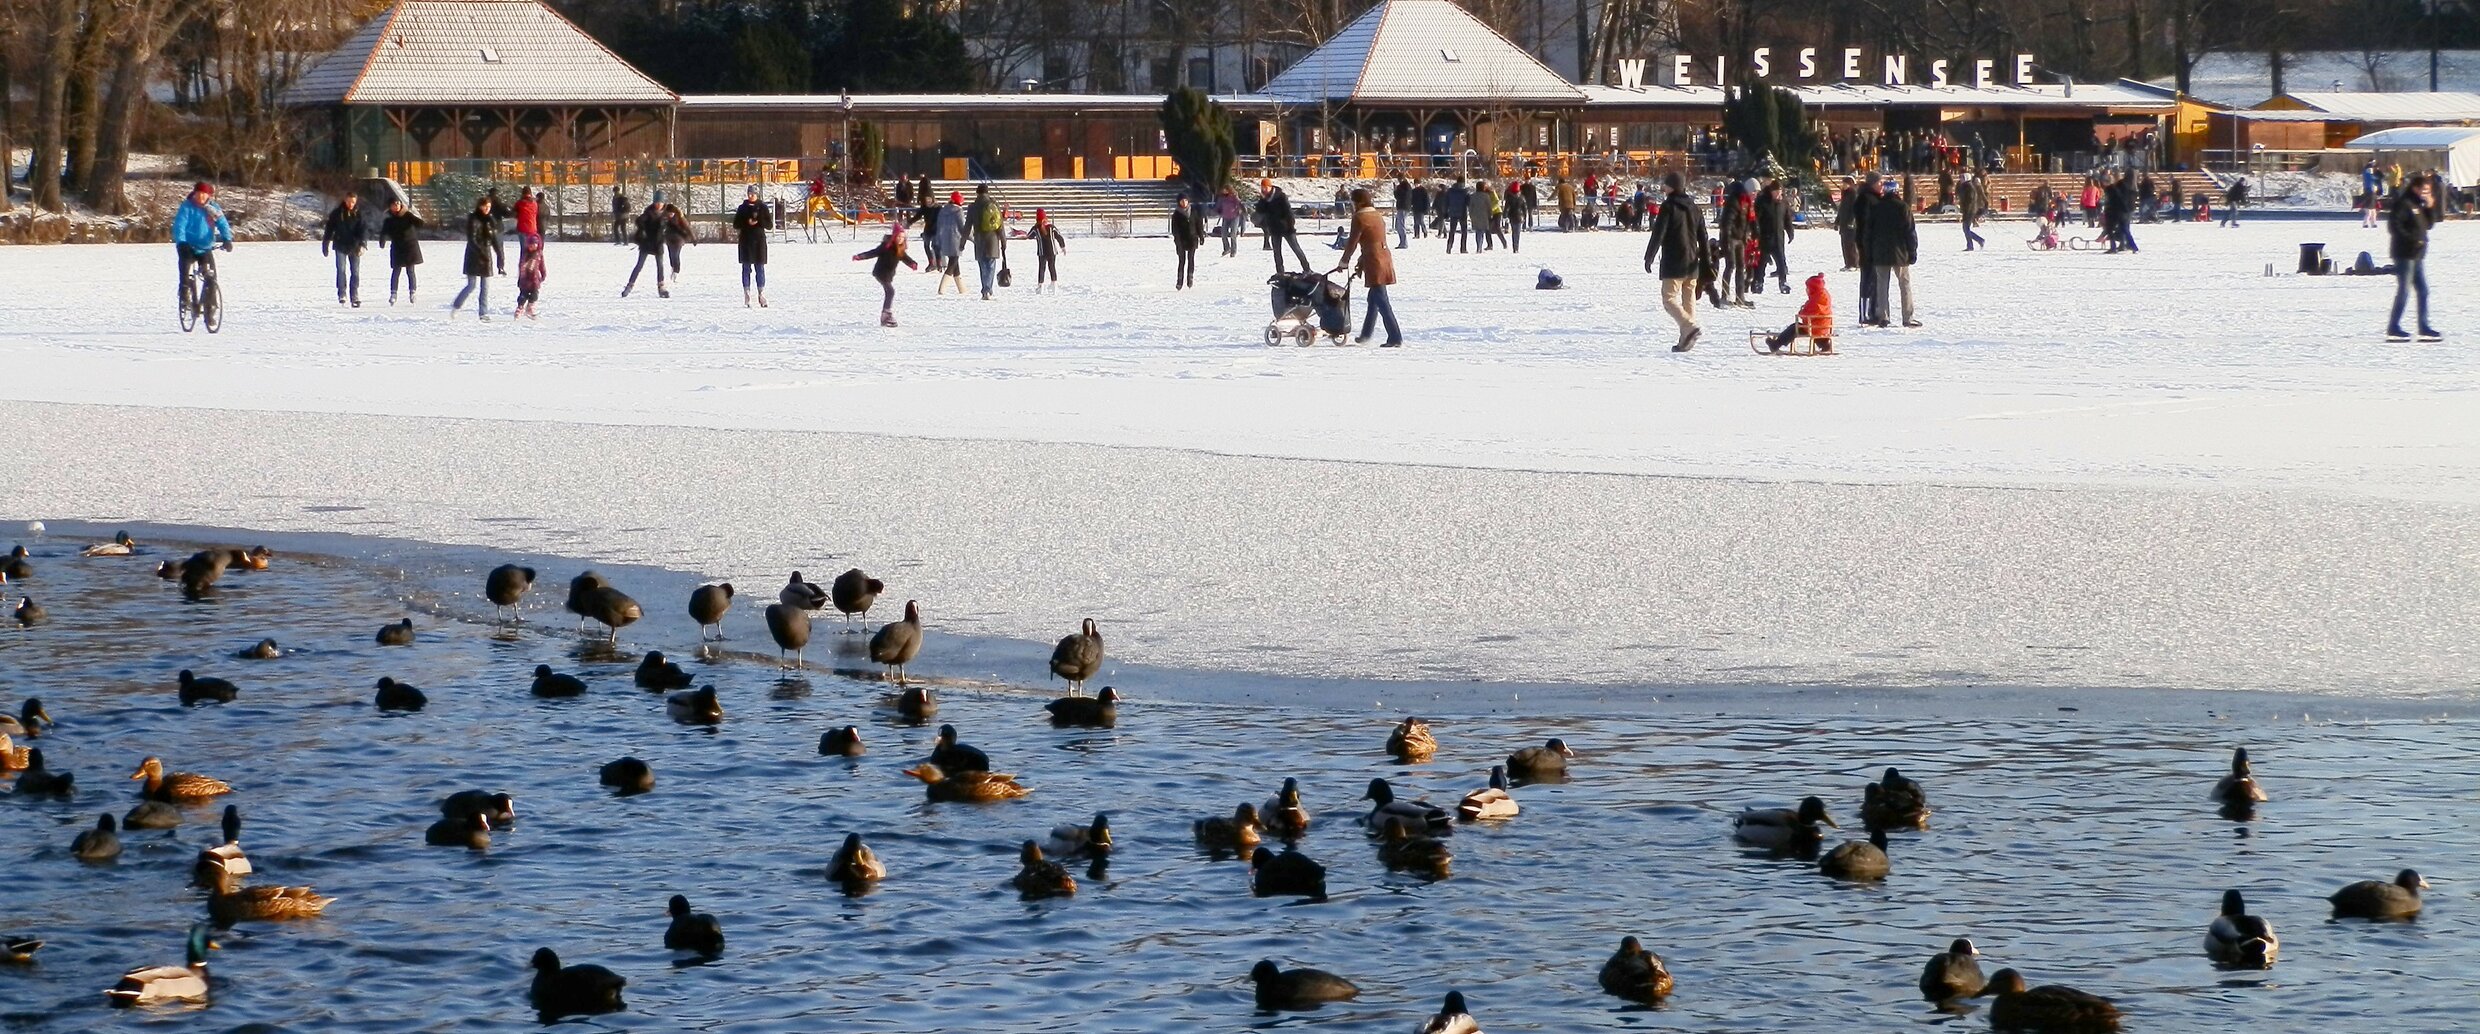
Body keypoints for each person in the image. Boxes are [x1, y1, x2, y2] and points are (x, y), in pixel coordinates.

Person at [1643, 171, 1707, 352]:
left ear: (1673, 186)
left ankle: (1689, 327)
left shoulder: (1668, 206)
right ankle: (1685, 340)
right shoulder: (1694, 207)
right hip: (1692, 262)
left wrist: (1650, 256)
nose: (1663, 187)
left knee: (1669, 299)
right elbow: (1703, 236)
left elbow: (1659, 233)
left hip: (1674, 262)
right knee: (1689, 299)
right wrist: (1706, 261)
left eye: (1666, 184)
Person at [1333, 187, 1400, 347]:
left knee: (1382, 300)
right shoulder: (1377, 215)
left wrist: (1344, 261)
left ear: (1357, 202)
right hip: (1384, 257)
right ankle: (1366, 334)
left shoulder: (1360, 217)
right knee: (1373, 299)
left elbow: (1352, 243)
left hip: (1373, 260)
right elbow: (1372, 240)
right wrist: (1361, 261)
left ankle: (1395, 337)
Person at [2387, 176, 2440, 342]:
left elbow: (2429, 224)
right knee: (2404, 290)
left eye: (2428, 191)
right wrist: (2412, 239)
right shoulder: (2404, 203)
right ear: (2415, 188)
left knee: (2423, 291)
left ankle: (2423, 326)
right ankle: (2393, 327)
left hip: (2417, 255)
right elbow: (2394, 226)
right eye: (2424, 190)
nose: (2426, 193)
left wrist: (2431, 207)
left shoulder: (2418, 205)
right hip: (2404, 254)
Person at [1863, 177, 1918, 328]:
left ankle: (1883, 317)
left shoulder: (1876, 208)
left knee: (1882, 285)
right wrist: (1912, 251)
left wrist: (1869, 251)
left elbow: (1868, 232)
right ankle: (1907, 317)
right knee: (1904, 285)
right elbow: (1910, 232)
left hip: (1880, 253)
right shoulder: (1903, 207)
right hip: (1900, 253)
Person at [172, 181, 233, 314]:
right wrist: (181, 242)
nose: (201, 197)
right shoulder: (187, 207)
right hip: (187, 246)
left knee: (210, 277)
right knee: (185, 270)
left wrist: (227, 239)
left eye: (204, 195)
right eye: (198, 194)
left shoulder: (213, 208)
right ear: (194, 194)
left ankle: (210, 306)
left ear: (208, 196)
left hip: (205, 247)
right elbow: (179, 225)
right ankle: (184, 295)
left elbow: (222, 223)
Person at [853, 223, 920, 327]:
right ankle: (886, 314)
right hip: (880, 272)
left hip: (888, 275)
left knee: (889, 292)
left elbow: (905, 258)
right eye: (898, 236)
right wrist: (860, 256)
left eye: (902, 237)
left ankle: (885, 316)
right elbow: (873, 252)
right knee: (890, 291)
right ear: (894, 236)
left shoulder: (900, 249)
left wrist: (912, 264)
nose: (900, 239)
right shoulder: (886, 246)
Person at [448, 195, 498, 320]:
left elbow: (494, 239)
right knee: (471, 285)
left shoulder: (490, 220)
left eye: (489, 207)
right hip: (474, 256)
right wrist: (480, 252)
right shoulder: (473, 219)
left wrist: (500, 256)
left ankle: (483, 312)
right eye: (485, 206)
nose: (487, 209)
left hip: (486, 255)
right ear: (480, 206)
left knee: (485, 287)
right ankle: (456, 305)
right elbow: (472, 239)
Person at [1762, 273, 1834, 354]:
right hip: (1822, 326)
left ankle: (1776, 344)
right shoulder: (1822, 294)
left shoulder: (1818, 298)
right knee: (1807, 328)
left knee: (1794, 328)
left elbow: (1812, 311)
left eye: (1808, 288)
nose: (1806, 290)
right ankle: (1824, 344)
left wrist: (1802, 312)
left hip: (1815, 326)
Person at [320, 191, 368, 307]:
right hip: (340, 245)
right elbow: (329, 229)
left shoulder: (359, 214)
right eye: (349, 201)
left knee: (355, 272)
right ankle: (342, 294)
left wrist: (363, 244)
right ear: (345, 200)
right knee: (341, 270)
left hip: (354, 246)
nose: (351, 204)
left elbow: (363, 230)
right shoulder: (337, 213)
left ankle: (354, 295)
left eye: (353, 202)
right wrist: (325, 243)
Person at [732, 184, 771, 307]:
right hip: (745, 241)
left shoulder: (762, 207)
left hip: (759, 241)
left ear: (757, 194)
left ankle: (761, 293)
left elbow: (769, 225)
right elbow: (736, 224)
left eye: (753, 194)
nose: (750, 196)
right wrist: (746, 222)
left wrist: (759, 221)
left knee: (760, 268)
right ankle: (747, 293)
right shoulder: (742, 208)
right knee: (746, 268)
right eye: (749, 193)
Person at [379, 198, 423, 304]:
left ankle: (413, 292)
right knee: (396, 271)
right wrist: (382, 240)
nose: (396, 206)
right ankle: (393, 293)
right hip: (397, 247)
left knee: (410, 271)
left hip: (409, 246)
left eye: (398, 204)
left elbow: (420, 223)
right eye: (394, 204)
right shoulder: (389, 220)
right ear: (390, 206)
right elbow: (384, 232)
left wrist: (414, 217)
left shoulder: (407, 215)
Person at [1257, 184, 1307, 271]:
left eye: (1265, 187)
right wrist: (1262, 200)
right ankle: (1280, 271)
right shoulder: (1264, 199)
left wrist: (1290, 225)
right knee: (1277, 252)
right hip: (1274, 228)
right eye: (1262, 188)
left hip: (1286, 227)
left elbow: (1288, 211)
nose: (1264, 190)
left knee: (1296, 248)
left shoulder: (1280, 196)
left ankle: (1306, 268)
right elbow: (1260, 211)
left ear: (1270, 187)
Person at [1756, 178, 1794, 292]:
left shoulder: (1783, 203)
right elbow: (1756, 219)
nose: (1778, 194)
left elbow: (1787, 219)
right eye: (1776, 192)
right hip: (1765, 237)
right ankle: (1759, 282)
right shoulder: (1763, 201)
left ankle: (1783, 282)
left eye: (1780, 192)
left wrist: (1790, 231)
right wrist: (1755, 233)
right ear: (1771, 192)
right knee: (1762, 262)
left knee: (1781, 261)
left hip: (1778, 237)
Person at [623, 201, 668, 298]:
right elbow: (639, 221)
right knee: (639, 265)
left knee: (660, 266)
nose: (658, 205)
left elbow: (676, 223)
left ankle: (661, 287)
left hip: (658, 244)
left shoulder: (666, 214)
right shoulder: (649, 212)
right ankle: (630, 285)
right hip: (647, 243)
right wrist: (642, 229)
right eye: (657, 203)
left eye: (660, 203)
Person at [967, 184, 1004, 300]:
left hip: (979, 239)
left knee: (983, 265)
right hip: (992, 239)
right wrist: (1003, 240)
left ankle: (985, 289)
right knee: (991, 265)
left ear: (977, 193)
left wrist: (962, 242)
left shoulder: (972, 207)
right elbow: (1000, 225)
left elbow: (967, 225)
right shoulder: (993, 205)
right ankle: (988, 289)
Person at [932, 191, 967, 294]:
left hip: (944, 239)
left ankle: (962, 289)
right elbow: (962, 227)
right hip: (956, 239)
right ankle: (941, 289)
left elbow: (939, 225)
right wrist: (972, 238)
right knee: (952, 264)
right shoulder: (958, 211)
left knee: (955, 263)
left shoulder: (943, 210)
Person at [1170, 194, 1204, 289]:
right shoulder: (1176, 214)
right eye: (1182, 201)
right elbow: (1174, 229)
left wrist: (1201, 236)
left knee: (1191, 259)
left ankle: (1190, 277)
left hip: (1192, 238)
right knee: (1182, 260)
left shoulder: (1194, 212)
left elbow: (1199, 225)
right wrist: (1177, 239)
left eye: (1185, 200)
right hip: (1181, 239)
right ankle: (1179, 281)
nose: (1184, 203)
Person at [1030, 208, 1065, 291]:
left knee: (1042, 268)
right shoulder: (1051, 227)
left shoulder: (1035, 228)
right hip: (1052, 251)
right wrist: (1062, 246)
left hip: (1042, 252)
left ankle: (1040, 286)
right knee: (1052, 267)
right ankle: (1054, 284)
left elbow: (1029, 236)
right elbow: (1059, 237)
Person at [513, 232, 546, 319]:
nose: (532, 247)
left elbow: (541, 265)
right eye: (530, 245)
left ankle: (530, 308)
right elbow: (521, 265)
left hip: (535, 279)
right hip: (525, 279)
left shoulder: (539, 254)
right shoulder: (525, 254)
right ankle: (520, 308)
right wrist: (521, 277)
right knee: (523, 295)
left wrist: (543, 274)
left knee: (534, 294)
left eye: (534, 245)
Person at [1834, 176, 1862, 270]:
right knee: (1845, 244)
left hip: (1851, 224)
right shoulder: (1845, 194)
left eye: (1845, 183)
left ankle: (1855, 264)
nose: (1843, 185)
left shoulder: (1853, 194)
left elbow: (1855, 210)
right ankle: (1848, 263)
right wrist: (1837, 222)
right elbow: (1841, 210)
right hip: (1843, 223)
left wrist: (1852, 221)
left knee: (1851, 244)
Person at [661, 202, 693, 278]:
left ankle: (676, 272)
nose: (670, 214)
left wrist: (693, 237)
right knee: (671, 256)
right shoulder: (665, 219)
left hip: (679, 239)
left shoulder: (679, 218)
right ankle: (673, 268)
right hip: (669, 240)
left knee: (675, 255)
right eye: (669, 213)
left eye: (672, 213)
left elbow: (687, 227)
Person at [1957, 172, 1986, 251]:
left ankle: (1976, 242)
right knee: (1966, 228)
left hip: (1970, 211)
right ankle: (1974, 243)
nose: (1960, 180)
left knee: (1966, 228)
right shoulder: (1964, 187)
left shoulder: (1969, 187)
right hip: (1967, 210)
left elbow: (1970, 201)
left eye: (1962, 178)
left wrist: (1967, 211)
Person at [1441, 177, 1470, 253]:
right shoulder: (1465, 192)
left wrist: (1445, 212)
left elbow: (1446, 202)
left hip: (1453, 213)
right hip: (1463, 213)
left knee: (1452, 231)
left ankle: (1449, 247)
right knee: (1464, 232)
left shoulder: (1450, 191)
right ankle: (1463, 248)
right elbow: (1468, 203)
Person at [1216, 187, 1242, 257]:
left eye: (1225, 189)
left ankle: (1233, 250)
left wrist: (1239, 210)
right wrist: (1218, 210)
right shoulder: (1221, 198)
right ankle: (1227, 248)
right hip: (1225, 217)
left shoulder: (1233, 196)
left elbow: (1239, 204)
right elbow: (1219, 206)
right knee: (1223, 234)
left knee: (1233, 234)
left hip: (1234, 217)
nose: (1223, 191)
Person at [1504, 179, 1524, 253]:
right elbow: (1524, 208)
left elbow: (1506, 208)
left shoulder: (1509, 197)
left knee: (1513, 232)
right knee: (1517, 233)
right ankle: (1517, 247)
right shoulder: (1521, 197)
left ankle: (1514, 247)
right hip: (1519, 217)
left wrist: (1505, 215)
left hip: (1512, 216)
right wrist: (1524, 216)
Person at [1391, 175, 1412, 248]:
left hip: (1404, 207)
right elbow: (1397, 196)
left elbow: (1403, 196)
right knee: (1398, 225)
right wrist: (1395, 190)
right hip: (1401, 206)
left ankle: (1404, 243)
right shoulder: (1403, 186)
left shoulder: (1406, 186)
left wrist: (1397, 190)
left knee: (1400, 225)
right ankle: (1402, 242)